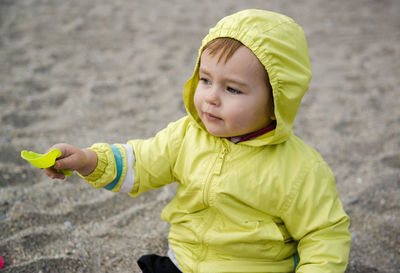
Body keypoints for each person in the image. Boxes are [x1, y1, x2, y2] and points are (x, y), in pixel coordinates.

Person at [44, 9, 351, 273]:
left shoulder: (300, 168)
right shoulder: (186, 135)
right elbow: (141, 162)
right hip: (183, 263)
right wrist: (87, 160)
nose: (211, 98)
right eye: (205, 80)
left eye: (232, 89)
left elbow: (324, 235)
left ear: (276, 103)